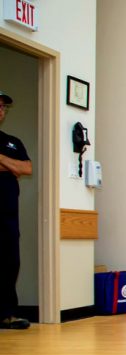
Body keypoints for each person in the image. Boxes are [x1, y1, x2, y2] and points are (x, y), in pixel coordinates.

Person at [0, 90, 32, 330]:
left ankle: (7, 314)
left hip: (8, 215)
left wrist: (4, 161)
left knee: (10, 262)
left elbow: (26, 168)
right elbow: (16, 168)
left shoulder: (13, 142)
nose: (1, 111)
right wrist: (11, 166)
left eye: (3, 107)